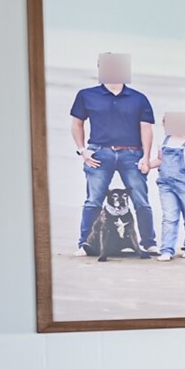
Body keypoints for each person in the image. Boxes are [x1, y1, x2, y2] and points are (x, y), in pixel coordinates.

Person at [69, 52, 157, 256]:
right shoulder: (86, 95)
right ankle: (85, 243)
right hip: (99, 154)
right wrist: (82, 150)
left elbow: (146, 129)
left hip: (132, 154)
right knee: (94, 200)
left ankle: (148, 242)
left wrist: (146, 157)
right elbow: (77, 124)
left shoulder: (139, 98)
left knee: (141, 201)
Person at [153, 111, 185, 261]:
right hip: (165, 184)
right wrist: (147, 165)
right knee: (169, 216)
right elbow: (160, 160)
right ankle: (167, 249)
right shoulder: (163, 141)